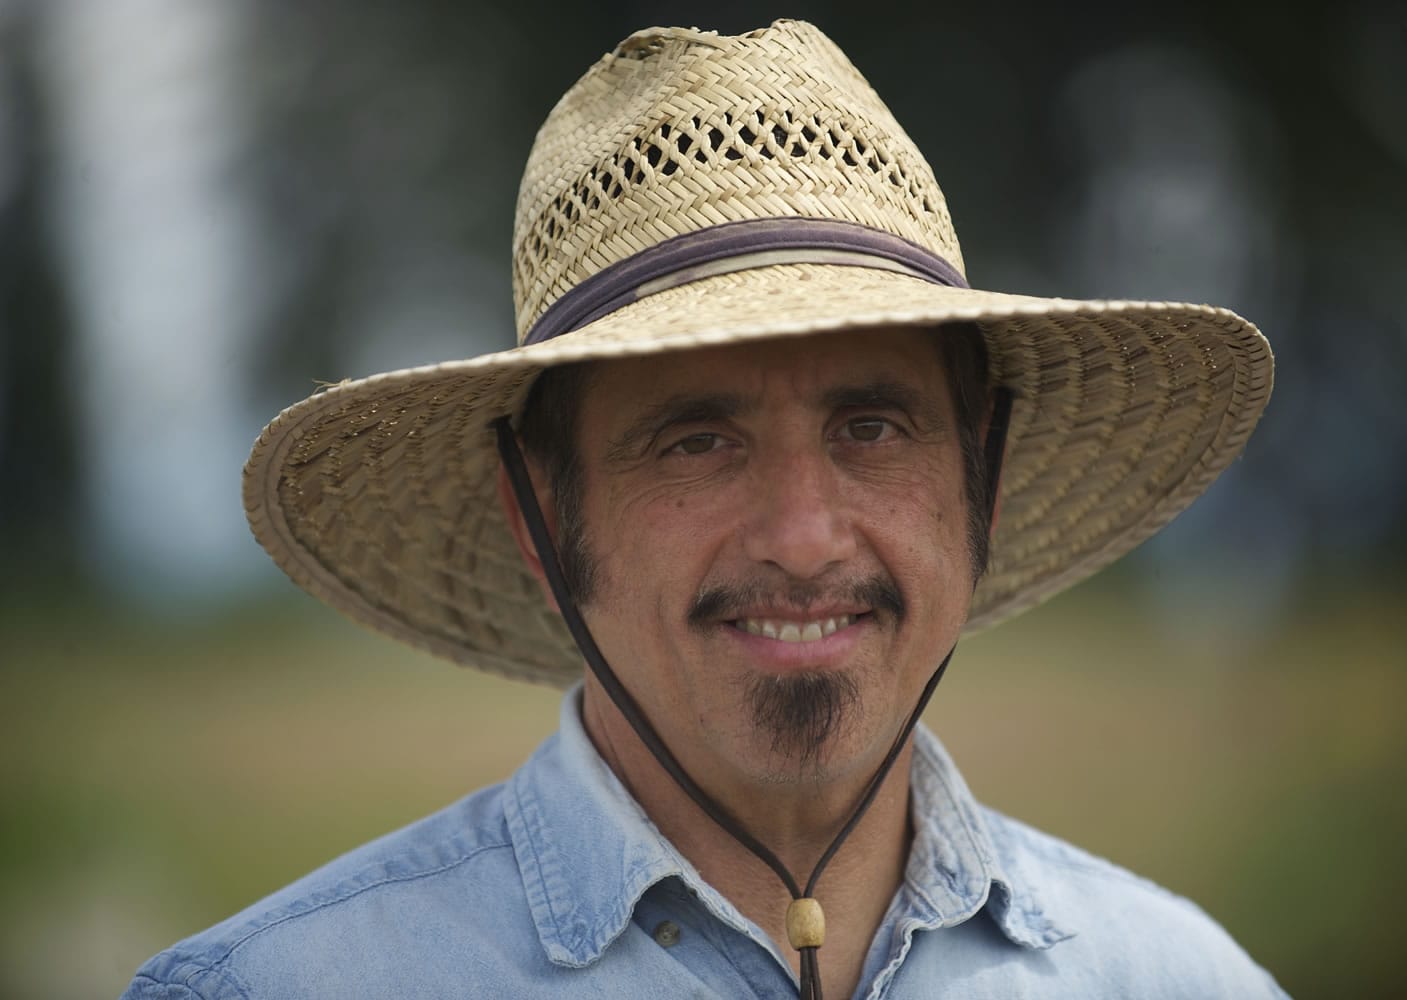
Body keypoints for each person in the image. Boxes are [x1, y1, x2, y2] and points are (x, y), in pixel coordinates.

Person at [123, 19, 1287, 999]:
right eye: (696, 440)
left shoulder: (1176, 976)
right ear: (540, 518)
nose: (802, 535)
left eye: (871, 428)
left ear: (978, 478)